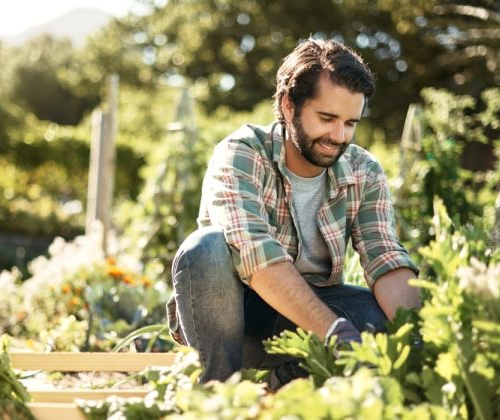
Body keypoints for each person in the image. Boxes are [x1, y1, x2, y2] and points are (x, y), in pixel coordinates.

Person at [166, 38, 420, 388]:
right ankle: (217, 392)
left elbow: (385, 256)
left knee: (379, 314)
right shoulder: (241, 153)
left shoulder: (364, 170)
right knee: (205, 248)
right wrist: (333, 331)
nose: (338, 135)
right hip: (238, 324)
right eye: (327, 118)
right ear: (288, 105)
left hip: (307, 322)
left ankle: (291, 376)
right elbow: (257, 256)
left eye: (350, 122)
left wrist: (418, 337)